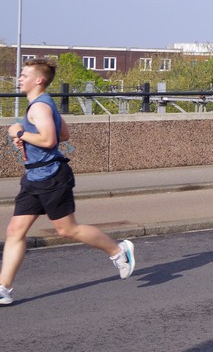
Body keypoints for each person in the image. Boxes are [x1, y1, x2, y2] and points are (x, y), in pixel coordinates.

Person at [1, 59, 136, 305]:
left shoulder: (39, 107)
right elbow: (64, 134)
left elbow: (50, 140)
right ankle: (4, 288)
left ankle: (118, 251)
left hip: (51, 177)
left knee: (67, 229)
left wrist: (19, 132)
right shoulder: (44, 102)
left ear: (38, 80)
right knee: (14, 231)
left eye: (24, 75)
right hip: (34, 177)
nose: (19, 78)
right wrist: (28, 137)